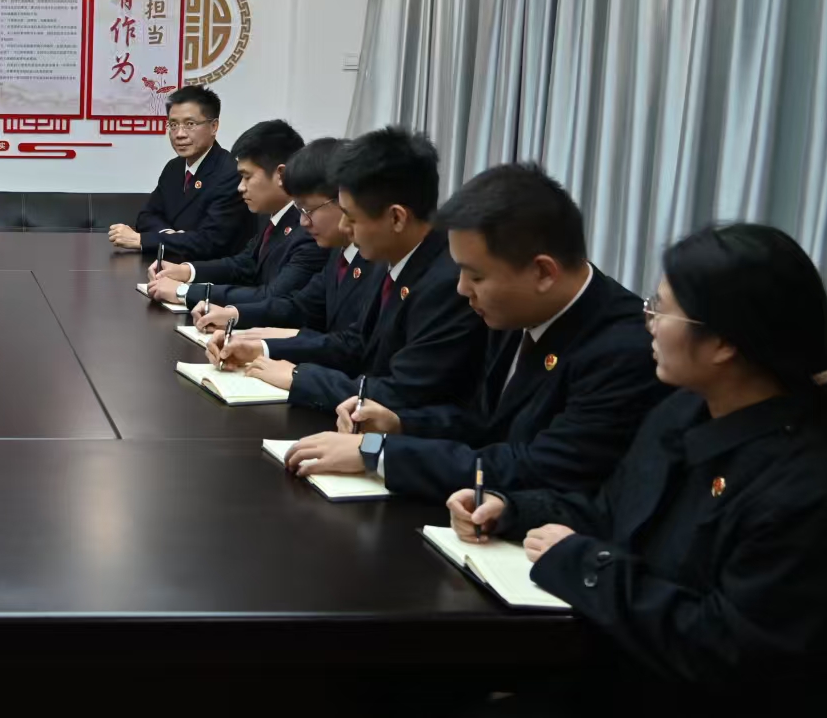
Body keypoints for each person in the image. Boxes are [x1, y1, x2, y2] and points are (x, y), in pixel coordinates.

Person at [438, 224, 827, 718]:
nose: (647, 321)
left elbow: (723, 647)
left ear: (724, 342)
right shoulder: (684, 409)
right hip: (639, 713)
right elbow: (616, 509)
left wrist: (586, 565)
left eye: (661, 308)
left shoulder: (812, 487)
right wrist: (511, 507)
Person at [284, 163, 670, 500]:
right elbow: (483, 422)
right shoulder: (515, 308)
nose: (461, 289)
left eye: (476, 276)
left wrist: (378, 454)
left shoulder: (622, 350)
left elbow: (537, 467)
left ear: (542, 273)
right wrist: (400, 424)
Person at [207, 126, 483, 413]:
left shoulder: (447, 283)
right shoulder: (390, 253)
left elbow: (403, 392)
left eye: (351, 218)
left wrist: (299, 377)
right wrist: (262, 348)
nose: (343, 227)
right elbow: (354, 342)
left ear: (396, 218)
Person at [192, 137, 375, 339]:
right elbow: (300, 308)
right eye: (300, 210)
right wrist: (234, 315)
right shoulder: (338, 254)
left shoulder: (375, 263)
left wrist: (267, 347)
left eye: (309, 210)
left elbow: (351, 345)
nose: (303, 222)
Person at [145, 119, 324, 312]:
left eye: (247, 177)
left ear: (281, 175)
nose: (240, 187)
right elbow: (244, 264)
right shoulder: (273, 214)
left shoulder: (310, 229)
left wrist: (184, 292)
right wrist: (185, 271)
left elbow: (272, 296)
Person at [107, 84, 250, 259]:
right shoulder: (173, 168)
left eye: (190, 124)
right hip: (169, 265)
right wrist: (169, 236)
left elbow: (210, 242)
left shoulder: (230, 172)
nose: (179, 134)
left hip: (210, 271)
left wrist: (143, 240)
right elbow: (147, 216)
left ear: (214, 126)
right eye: (173, 125)